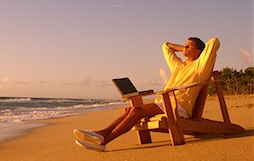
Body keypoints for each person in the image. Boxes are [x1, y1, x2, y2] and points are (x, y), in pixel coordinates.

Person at [73, 37, 220, 152]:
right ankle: (100, 134)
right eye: (184, 45)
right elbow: (165, 47)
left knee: (137, 110)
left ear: (199, 52)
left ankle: (103, 140)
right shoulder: (179, 65)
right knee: (127, 110)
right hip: (166, 102)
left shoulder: (200, 67)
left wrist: (191, 51)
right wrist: (182, 48)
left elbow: (214, 42)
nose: (185, 48)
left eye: (189, 46)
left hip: (180, 106)